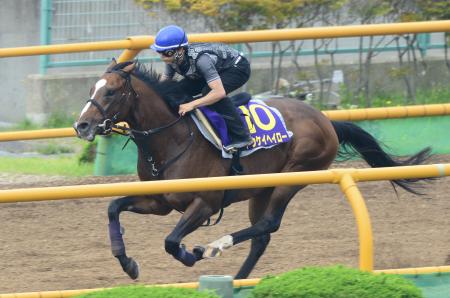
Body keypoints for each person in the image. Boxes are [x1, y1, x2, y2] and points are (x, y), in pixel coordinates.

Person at [150, 25, 253, 151]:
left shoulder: (201, 60)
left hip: (236, 68)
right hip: (210, 71)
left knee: (209, 92)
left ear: (180, 50)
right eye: (159, 52)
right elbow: (163, 86)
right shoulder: (172, 60)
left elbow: (218, 92)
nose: (162, 57)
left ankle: (242, 136)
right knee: (176, 89)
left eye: (167, 53)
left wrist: (192, 105)